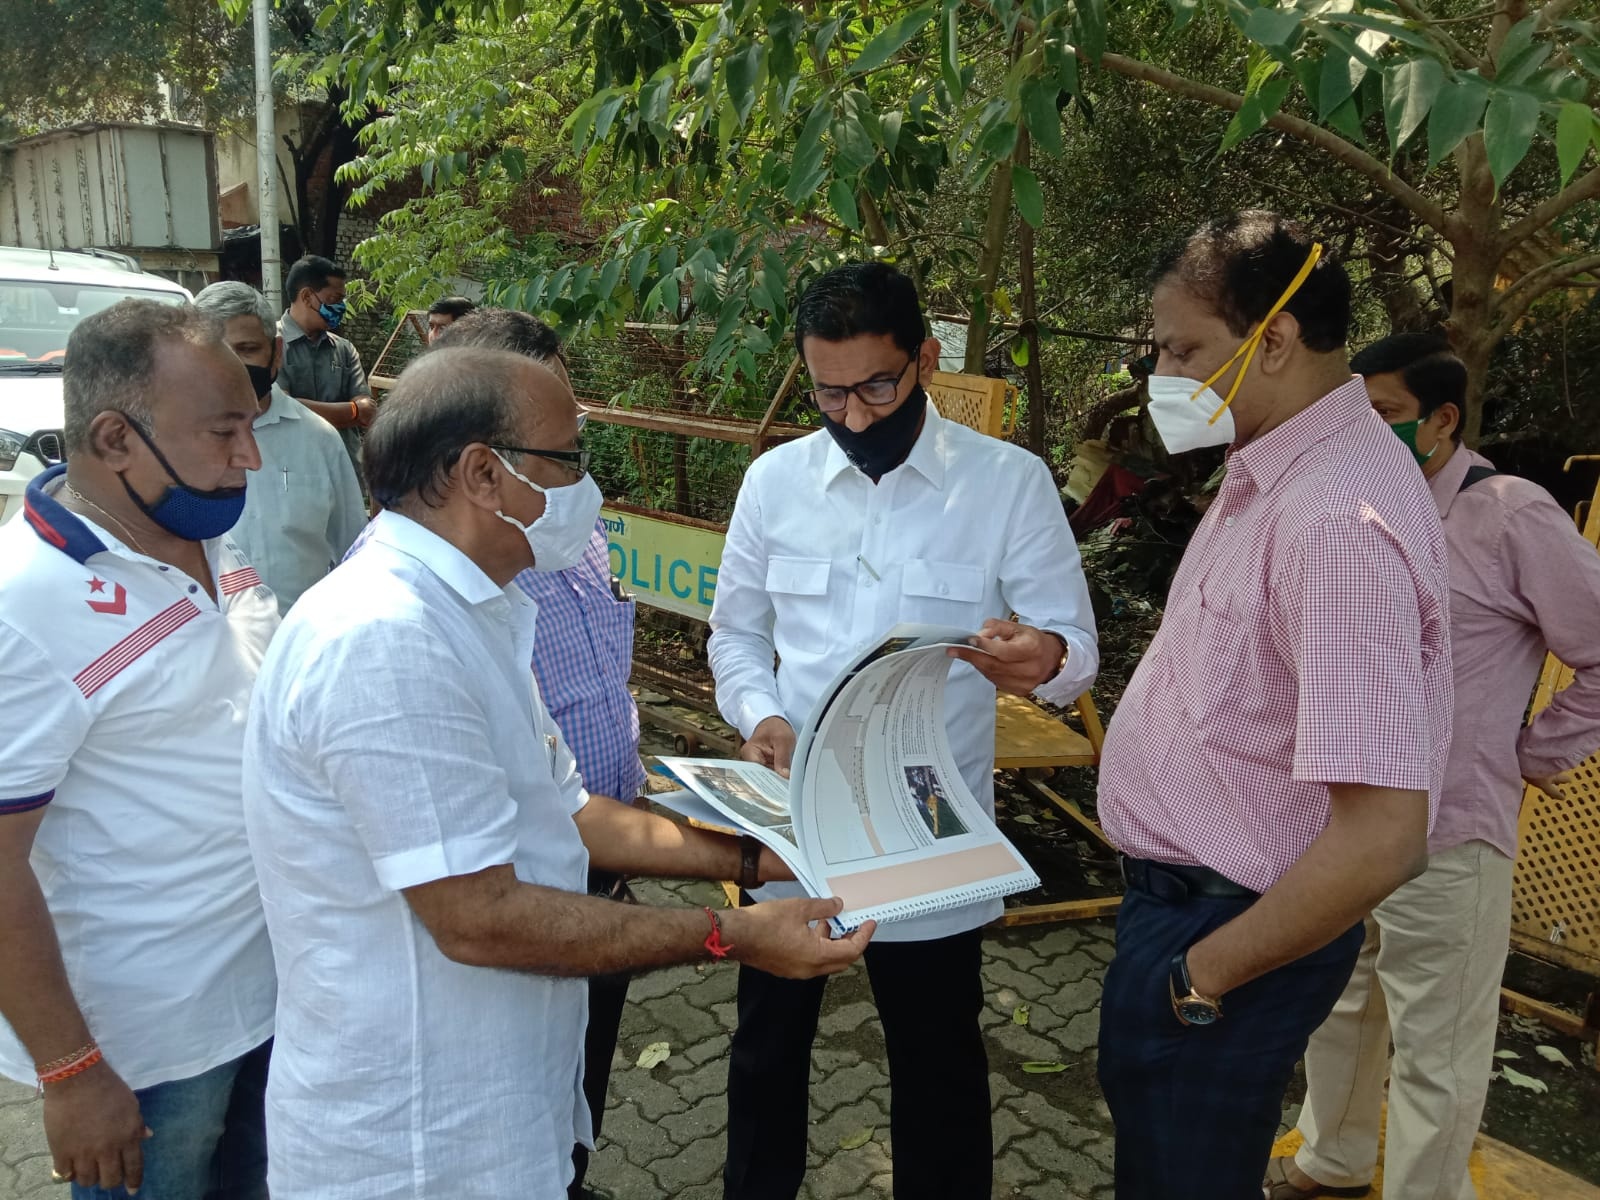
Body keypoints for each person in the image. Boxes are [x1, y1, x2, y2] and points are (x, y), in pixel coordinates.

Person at [241, 346, 874, 1200]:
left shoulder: (481, 610)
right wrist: (729, 936)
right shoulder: (386, 639)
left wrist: (762, 858)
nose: (591, 489)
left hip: (502, 1112)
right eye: (570, 460)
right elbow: (480, 919)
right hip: (419, 1148)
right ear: (482, 474)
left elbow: (569, 811)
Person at [708, 261, 1099, 1200]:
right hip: (794, 820)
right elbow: (735, 634)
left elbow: (1073, 645)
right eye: (828, 391)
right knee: (767, 1053)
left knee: (938, 1068)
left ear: (925, 358)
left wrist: (1038, 656)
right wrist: (759, 715)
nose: (852, 415)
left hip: (926, 825)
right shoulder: (775, 482)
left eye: (877, 385)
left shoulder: (1007, 484)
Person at [1092, 211, 1453, 1200]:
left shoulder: (1334, 523)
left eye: (1183, 349)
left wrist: (1201, 977)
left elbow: (1383, 838)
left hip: (1226, 935)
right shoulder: (1278, 467)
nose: (1161, 374)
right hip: (1193, 912)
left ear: (1276, 340)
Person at [1269, 334, 1600, 1200]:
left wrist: (1538, 751)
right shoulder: (1355, 509)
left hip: (1449, 832)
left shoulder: (1510, 514)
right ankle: (1331, 1156)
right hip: (1340, 829)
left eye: (1382, 416)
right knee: (1339, 1009)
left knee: (1437, 1047)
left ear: (1442, 419)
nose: (1360, 434)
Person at [0, 300, 278, 1198]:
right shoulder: (26, 607)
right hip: (151, 1050)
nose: (251, 457)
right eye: (225, 431)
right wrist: (72, 1073)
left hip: (276, 990)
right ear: (116, 439)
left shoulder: (201, 525)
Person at [431, 307, 643, 1199]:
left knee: (579, 1073)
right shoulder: (449, 598)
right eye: (561, 447)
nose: (578, 466)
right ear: (487, 463)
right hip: (521, 888)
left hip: (606, 857)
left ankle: (570, 1172)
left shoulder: (573, 529)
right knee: (509, 1092)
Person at [194, 281, 366, 614]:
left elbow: (353, 551)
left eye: (246, 350)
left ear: (277, 352)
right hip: (212, 650)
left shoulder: (319, 439)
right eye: (215, 352)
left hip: (302, 646)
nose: (232, 367)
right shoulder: (168, 446)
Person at [276, 255, 375, 477]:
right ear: (307, 297)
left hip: (344, 470)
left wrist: (297, 406)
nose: (341, 307)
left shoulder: (344, 348)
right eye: (334, 299)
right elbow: (280, 410)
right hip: (293, 473)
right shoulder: (270, 344)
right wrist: (352, 411)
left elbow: (367, 409)